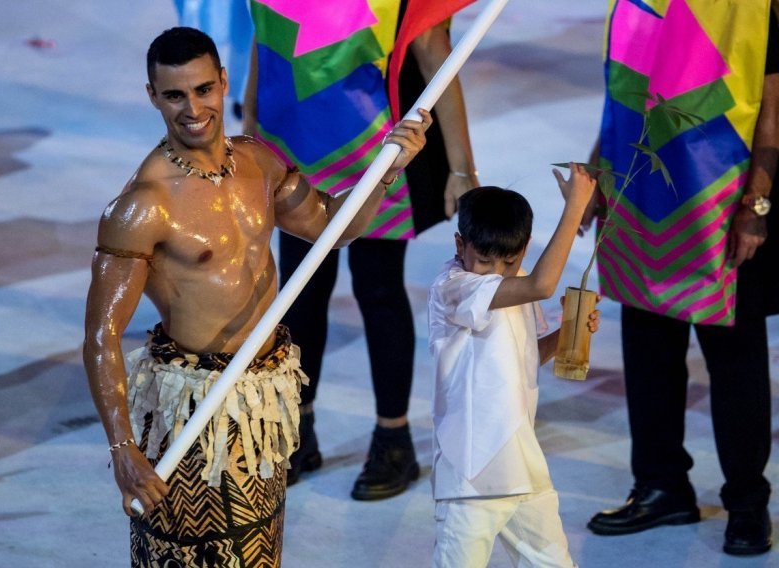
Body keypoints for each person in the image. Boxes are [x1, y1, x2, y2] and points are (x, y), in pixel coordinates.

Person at [82, 27, 430, 566]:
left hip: (261, 400)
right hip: (193, 410)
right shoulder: (141, 208)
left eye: (202, 89)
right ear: (152, 96)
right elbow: (101, 337)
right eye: (174, 95)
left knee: (258, 550)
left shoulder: (257, 163)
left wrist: (388, 169)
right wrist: (123, 449)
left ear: (223, 83)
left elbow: (332, 228)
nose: (192, 108)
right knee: (186, 556)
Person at [244, 0, 479, 499]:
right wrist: (246, 140)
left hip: (375, 157)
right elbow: (262, 44)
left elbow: (437, 58)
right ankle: (295, 431)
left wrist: (461, 168)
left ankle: (393, 440)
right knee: (301, 293)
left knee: (378, 289)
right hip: (290, 151)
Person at [582, 0, 778, 556]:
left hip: (722, 192)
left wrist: (757, 203)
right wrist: (599, 167)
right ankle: (662, 486)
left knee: (734, 354)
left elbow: (770, 101)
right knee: (647, 347)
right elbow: (620, 92)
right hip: (640, 188)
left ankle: (747, 501)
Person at [427, 166, 598, 568]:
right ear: (459, 244)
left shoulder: (514, 279)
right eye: (485, 261)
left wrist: (568, 334)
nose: (498, 273)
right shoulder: (453, 288)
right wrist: (576, 205)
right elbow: (542, 284)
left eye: (509, 261)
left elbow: (525, 357)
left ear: (522, 251)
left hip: (523, 466)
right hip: (472, 475)